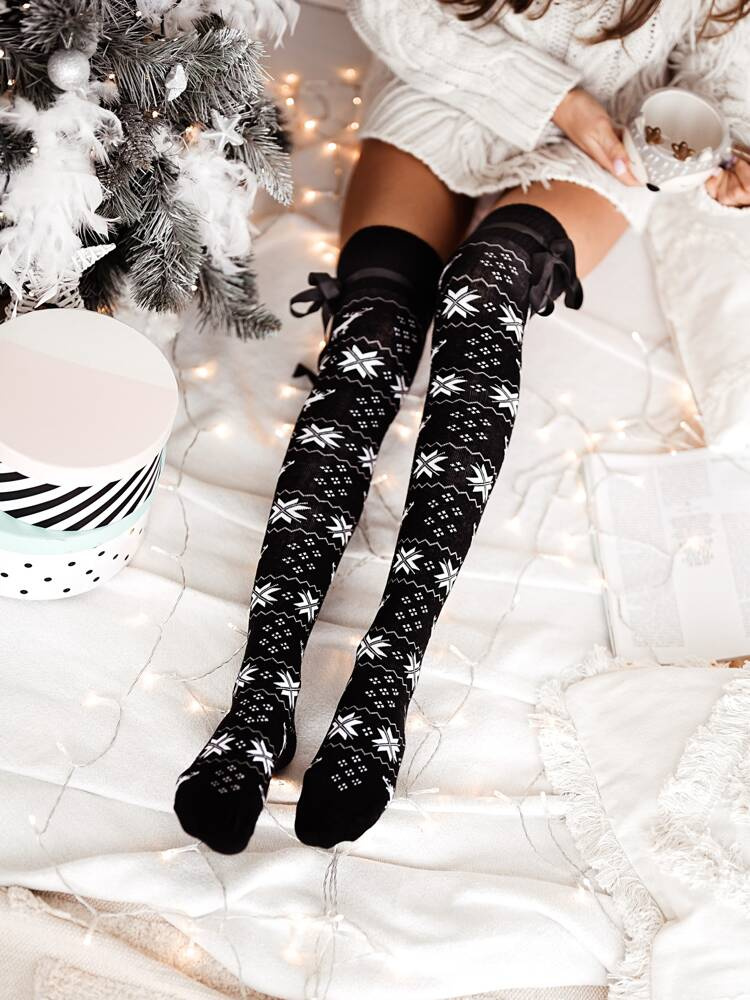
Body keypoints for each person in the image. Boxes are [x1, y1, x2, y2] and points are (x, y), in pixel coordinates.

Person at [174, 0, 750, 854]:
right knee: (372, 330)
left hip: (603, 145)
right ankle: (264, 687)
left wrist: (726, 154)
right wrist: (558, 100)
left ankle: (387, 672)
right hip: (444, 87)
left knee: (485, 293)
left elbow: (721, 72)